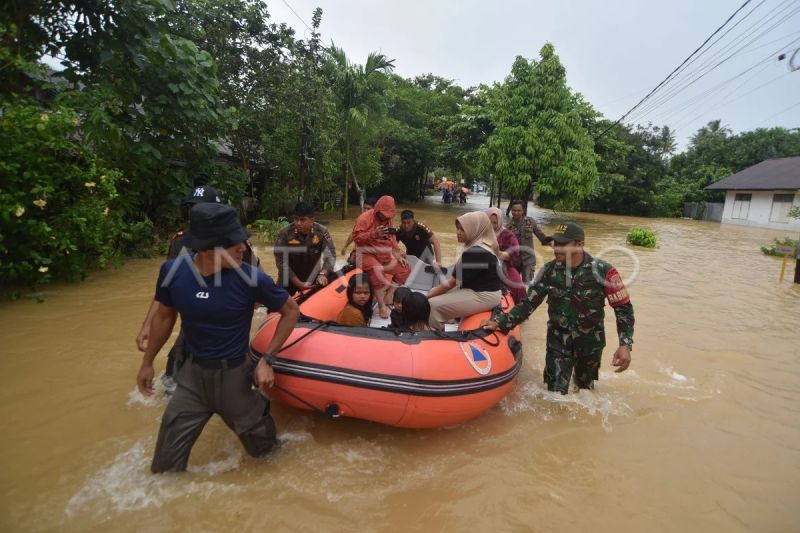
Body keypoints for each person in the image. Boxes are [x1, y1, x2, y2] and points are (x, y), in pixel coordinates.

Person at [136, 203, 300, 473]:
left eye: (242, 240)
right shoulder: (173, 272)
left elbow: (291, 311)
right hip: (190, 380)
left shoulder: (251, 278)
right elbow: (165, 317)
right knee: (163, 470)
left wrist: (267, 359)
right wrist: (147, 362)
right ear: (205, 248)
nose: (242, 248)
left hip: (235, 379)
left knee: (269, 457)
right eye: (232, 243)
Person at [481, 222, 634, 394]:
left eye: (563, 243)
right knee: (555, 394)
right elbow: (528, 304)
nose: (556, 248)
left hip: (590, 343)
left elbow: (623, 308)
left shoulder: (603, 271)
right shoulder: (548, 271)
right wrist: (501, 322)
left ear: (579, 245)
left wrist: (625, 344)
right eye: (555, 243)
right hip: (558, 341)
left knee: (584, 391)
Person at [135, 185, 261, 383]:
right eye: (191, 208)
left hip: (226, 319)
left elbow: (257, 279)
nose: (194, 212)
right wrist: (148, 324)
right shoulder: (180, 242)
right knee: (173, 372)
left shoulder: (235, 242)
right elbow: (166, 289)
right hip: (193, 317)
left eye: (200, 207)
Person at [426, 212, 503, 330]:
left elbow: (450, 284)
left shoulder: (475, 252)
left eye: (463, 229)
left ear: (474, 229)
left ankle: (437, 334)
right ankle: (452, 319)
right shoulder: (482, 244)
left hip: (484, 295)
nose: (458, 232)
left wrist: (427, 296)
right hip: (481, 289)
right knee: (438, 294)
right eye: (457, 228)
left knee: (433, 305)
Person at [351, 195, 410, 318]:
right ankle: (382, 306)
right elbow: (356, 238)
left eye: (389, 216)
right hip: (365, 253)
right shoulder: (364, 218)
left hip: (383, 254)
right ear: (377, 209)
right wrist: (373, 234)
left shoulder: (388, 220)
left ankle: (388, 296)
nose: (386, 218)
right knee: (376, 269)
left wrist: (397, 254)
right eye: (384, 215)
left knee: (405, 269)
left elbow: (392, 239)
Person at [274, 201, 336, 295]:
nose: (298, 223)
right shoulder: (285, 233)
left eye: (303, 220)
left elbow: (330, 256)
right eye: (296, 219)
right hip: (288, 278)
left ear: (312, 220)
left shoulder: (321, 232)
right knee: (276, 301)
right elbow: (280, 261)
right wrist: (298, 283)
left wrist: (322, 274)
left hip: (312, 278)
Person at [486, 207, 526, 303]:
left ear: (499, 222)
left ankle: (521, 308)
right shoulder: (479, 232)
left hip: (504, 266)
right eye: (489, 222)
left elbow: (512, 254)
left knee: (519, 288)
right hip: (483, 265)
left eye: (495, 223)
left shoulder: (507, 234)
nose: (492, 226)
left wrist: (498, 252)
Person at [506, 200, 548, 283]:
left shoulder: (530, 221)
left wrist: (552, 244)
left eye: (518, 210)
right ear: (511, 210)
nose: (516, 213)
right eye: (514, 210)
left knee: (527, 284)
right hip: (515, 261)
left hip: (529, 260)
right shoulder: (508, 227)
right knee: (514, 285)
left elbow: (540, 235)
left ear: (523, 210)